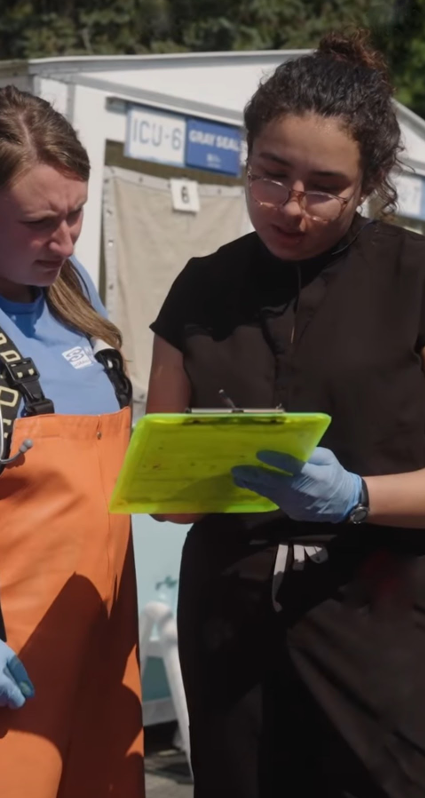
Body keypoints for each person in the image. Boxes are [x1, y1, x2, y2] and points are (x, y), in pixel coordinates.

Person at [147, 29, 425, 798]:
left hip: (385, 620)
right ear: (245, 156)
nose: (290, 207)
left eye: (324, 186)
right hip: (230, 628)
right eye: (271, 175)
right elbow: (166, 495)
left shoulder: (414, 278)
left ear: (370, 182)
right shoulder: (200, 289)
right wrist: (186, 475)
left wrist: (360, 497)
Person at [0, 85, 144, 798]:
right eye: (41, 222)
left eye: (76, 214)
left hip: (98, 658)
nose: (67, 240)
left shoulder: (70, 283)